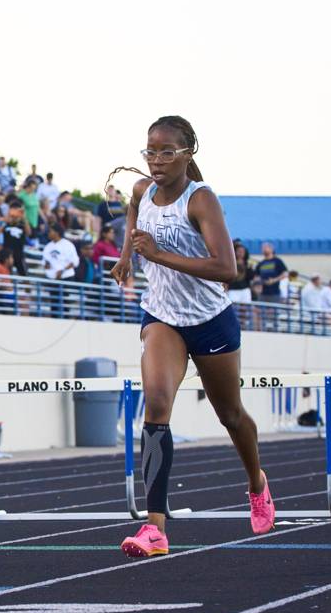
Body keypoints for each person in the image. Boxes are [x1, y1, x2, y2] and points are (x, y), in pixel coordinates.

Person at [108, 115, 273, 558]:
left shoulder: (201, 201)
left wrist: (159, 254)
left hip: (210, 320)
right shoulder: (143, 190)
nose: (156, 161)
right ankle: (155, 528)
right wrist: (127, 256)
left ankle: (256, 483)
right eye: (150, 151)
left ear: (187, 154)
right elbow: (132, 212)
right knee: (157, 404)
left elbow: (227, 269)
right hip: (162, 316)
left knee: (231, 415)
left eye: (166, 152)